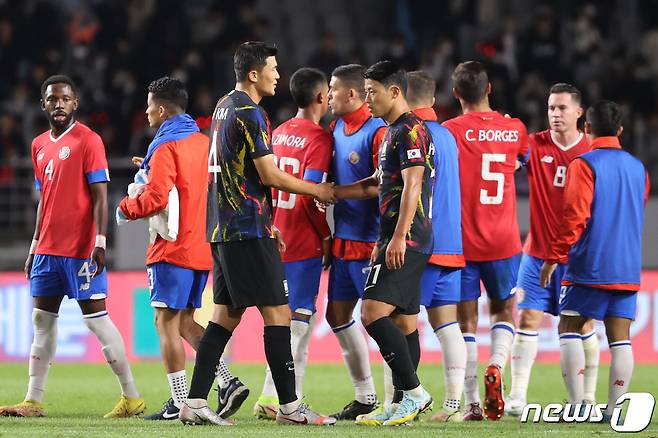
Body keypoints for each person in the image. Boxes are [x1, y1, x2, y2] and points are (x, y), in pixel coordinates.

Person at [179, 41, 336, 426]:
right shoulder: (250, 112)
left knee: (226, 316)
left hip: (225, 227)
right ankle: (289, 407)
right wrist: (317, 190)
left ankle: (195, 401)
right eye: (273, 68)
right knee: (279, 313)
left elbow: (239, 173)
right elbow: (268, 174)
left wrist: (268, 222)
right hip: (246, 230)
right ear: (254, 74)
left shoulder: (222, 106)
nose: (278, 75)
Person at [0, 75, 144, 418]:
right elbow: (43, 201)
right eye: (52, 100)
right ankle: (33, 400)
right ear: (44, 105)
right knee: (41, 320)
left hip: (79, 250)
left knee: (97, 321)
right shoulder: (38, 145)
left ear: (75, 103)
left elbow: (99, 197)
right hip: (47, 250)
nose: (59, 104)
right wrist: (34, 246)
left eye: (65, 99)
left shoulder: (88, 141)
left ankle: (131, 397)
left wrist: (99, 241)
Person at [118, 77, 248, 421]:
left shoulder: (164, 147)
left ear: (162, 109)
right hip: (201, 246)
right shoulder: (201, 142)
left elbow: (157, 197)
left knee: (165, 323)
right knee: (187, 322)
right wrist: (148, 166)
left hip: (170, 248)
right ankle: (226, 378)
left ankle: (178, 402)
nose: (145, 113)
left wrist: (125, 207)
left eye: (148, 107)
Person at [335, 60, 434, 426]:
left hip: (406, 239)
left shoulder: (411, 131)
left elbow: (413, 184)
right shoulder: (392, 131)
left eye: (372, 92)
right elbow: (375, 182)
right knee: (405, 323)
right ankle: (400, 403)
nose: (367, 98)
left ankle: (414, 392)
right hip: (400, 238)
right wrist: (331, 192)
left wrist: (397, 237)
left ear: (395, 92)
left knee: (371, 313)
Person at [540, 100, 649, 421]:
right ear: (620, 130)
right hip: (627, 266)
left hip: (590, 265)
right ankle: (615, 412)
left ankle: (576, 407)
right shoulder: (638, 168)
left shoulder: (584, 164)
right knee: (620, 339)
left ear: (586, 128)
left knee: (569, 326)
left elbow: (574, 217)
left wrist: (554, 258)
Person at [442, 61, 529, 421]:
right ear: (489, 89)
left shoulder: (448, 131)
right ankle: (497, 363)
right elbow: (520, 163)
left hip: (462, 242)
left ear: (456, 93)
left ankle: (473, 402)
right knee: (504, 311)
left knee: (466, 322)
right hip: (504, 241)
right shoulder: (515, 128)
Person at [506, 83, 599, 416]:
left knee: (580, 325)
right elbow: (504, 162)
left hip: (577, 257)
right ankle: (516, 397)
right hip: (536, 252)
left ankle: (586, 398)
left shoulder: (589, 152)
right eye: (551, 108)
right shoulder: (534, 145)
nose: (555, 114)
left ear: (579, 112)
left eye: (561, 108)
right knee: (528, 317)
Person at [253, 67, 333, 418]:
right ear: (320, 98)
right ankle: (278, 398)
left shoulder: (279, 132)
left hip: (274, 236)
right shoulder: (320, 138)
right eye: (327, 93)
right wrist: (326, 235)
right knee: (298, 326)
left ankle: (274, 396)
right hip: (301, 241)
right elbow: (310, 196)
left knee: (279, 321)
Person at [324, 63, 386, 420]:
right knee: (337, 315)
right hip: (344, 241)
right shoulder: (335, 128)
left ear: (351, 94)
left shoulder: (377, 131)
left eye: (333, 89)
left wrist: (334, 192)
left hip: (369, 241)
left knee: (379, 321)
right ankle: (365, 396)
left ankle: (399, 398)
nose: (329, 96)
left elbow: (381, 185)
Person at [405, 71, 467, 422]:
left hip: (421, 244)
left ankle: (400, 400)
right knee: (447, 326)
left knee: (400, 322)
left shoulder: (412, 133)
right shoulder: (447, 136)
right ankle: (454, 406)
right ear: (432, 99)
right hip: (451, 245)